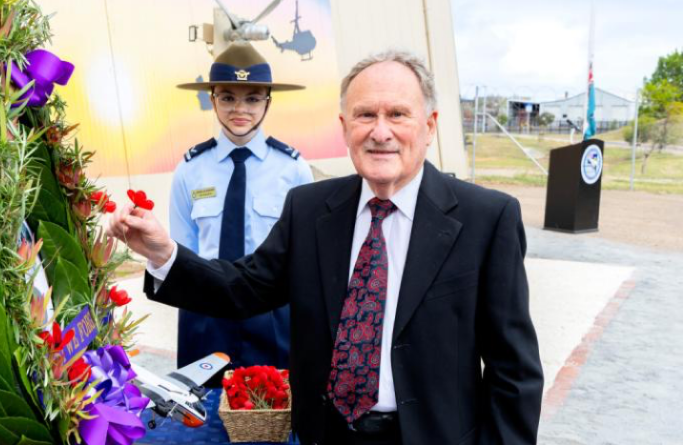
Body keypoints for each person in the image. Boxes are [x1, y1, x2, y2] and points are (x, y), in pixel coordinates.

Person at [110, 51, 543, 445]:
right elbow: (243, 288)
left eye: (397, 114)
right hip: (328, 436)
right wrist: (163, 252)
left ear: (429, 125)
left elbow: (514, 374)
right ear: (344, 127)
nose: (380, 131)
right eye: (364, 114)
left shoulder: (487, 219)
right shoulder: (311, 208)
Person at [171, 41, 313, 383]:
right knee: (200, 418)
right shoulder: (190, 169)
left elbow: (303, 257)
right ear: (212, 99)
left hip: (271, 314)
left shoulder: (293, 169)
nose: (240, 109)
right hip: (205, 313)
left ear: (268, 101)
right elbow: (181, 251)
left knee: (274, 418)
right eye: (228, 97)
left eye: (252, 98)